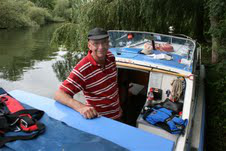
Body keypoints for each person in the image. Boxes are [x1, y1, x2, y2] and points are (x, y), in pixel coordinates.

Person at [54, 27, 122, 120]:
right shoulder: (83, 69)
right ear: (89, 46)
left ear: (108, 43)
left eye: (104, 42)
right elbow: (59, 94)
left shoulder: (110, 57)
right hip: (100, 120)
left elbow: (112, 86)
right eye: (96, 44)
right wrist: (81, 107)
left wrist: (118, 109)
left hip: (117, 114)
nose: (101, 47)